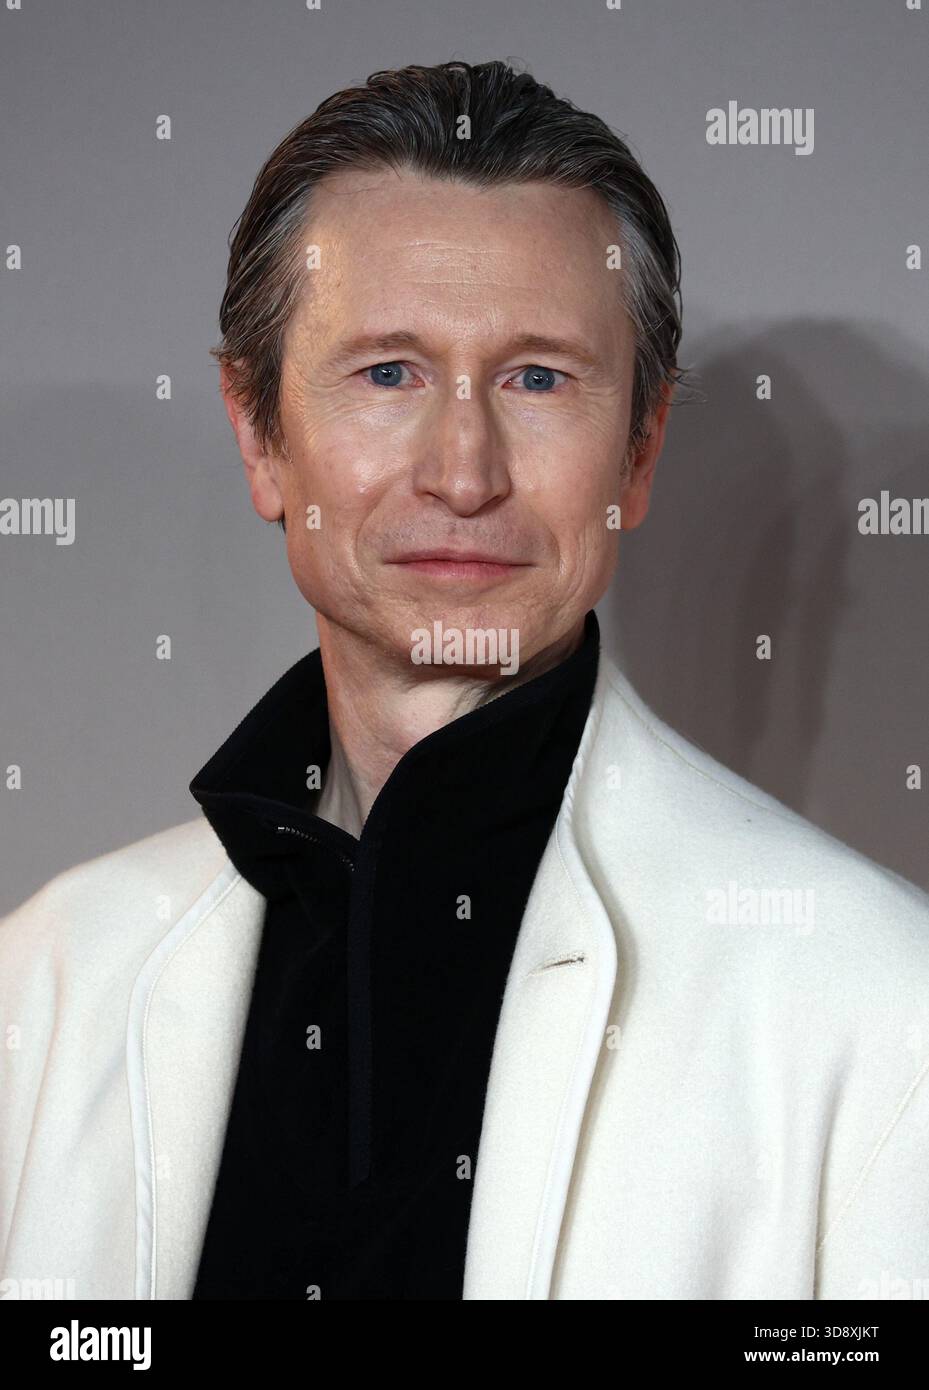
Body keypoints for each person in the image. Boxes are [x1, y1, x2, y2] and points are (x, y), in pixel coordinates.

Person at [2, 59, 928, 1302]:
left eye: (536, 378)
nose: (463, 470)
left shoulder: (881, 1006)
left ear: (640, 449)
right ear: (257, 433)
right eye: (388, 372)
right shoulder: (48, 977)